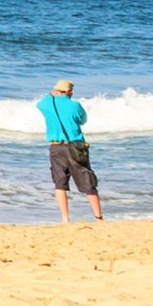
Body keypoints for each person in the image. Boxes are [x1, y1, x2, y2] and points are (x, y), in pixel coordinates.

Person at [37, 78, 101, 224]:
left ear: (56, 90)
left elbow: (40, 103)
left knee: (60, 182)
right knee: (87, 180)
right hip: (75, 145)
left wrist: (52, 94)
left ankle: (65, 218)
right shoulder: (75, 105)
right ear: (70, 92)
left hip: (55, 147)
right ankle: (98, 217)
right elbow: (82, 120)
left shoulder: (47, 104)